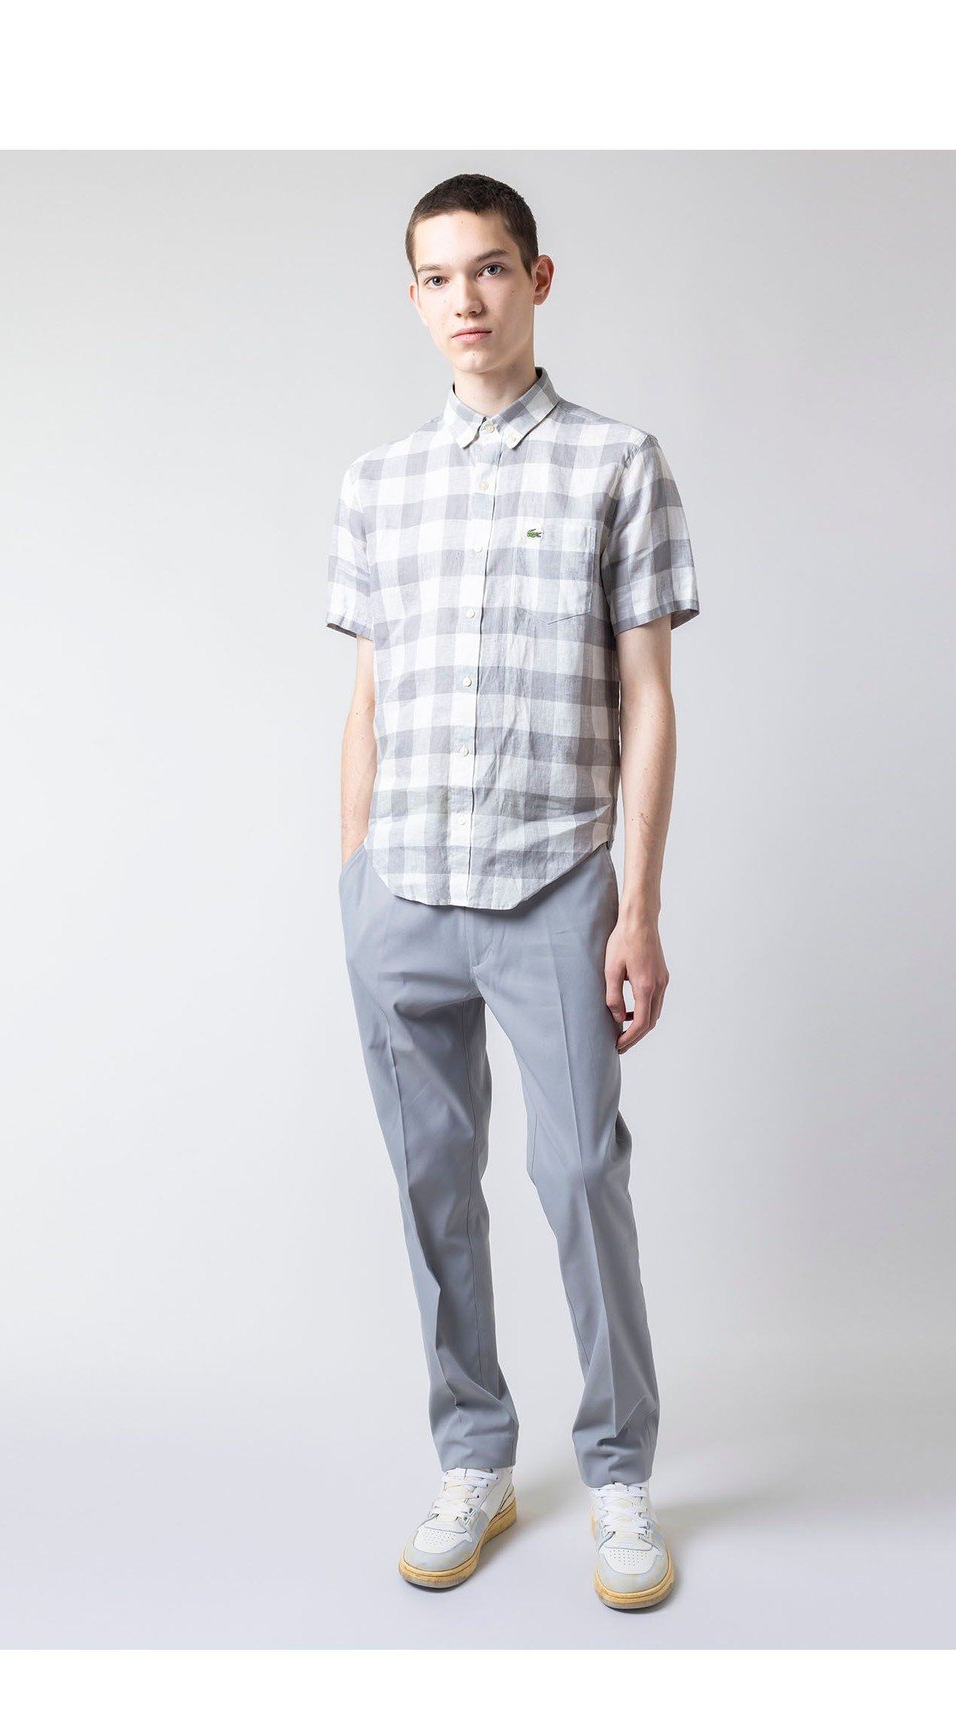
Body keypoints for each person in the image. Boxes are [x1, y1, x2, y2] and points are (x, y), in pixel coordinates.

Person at [326, 172, 700, 1611]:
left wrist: (637, 904)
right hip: (402, 893)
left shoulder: (617, 461)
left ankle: (618, 1476)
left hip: (555, 882)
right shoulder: (377, 483)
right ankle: (473, 1453)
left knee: (580, 1176)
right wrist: (353, 878)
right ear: (413, 297)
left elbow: (648, 697)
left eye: (489, 269)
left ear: (538, 277)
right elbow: (367, 698)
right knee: (432, 1185)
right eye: (437, 277)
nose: (465, 301)